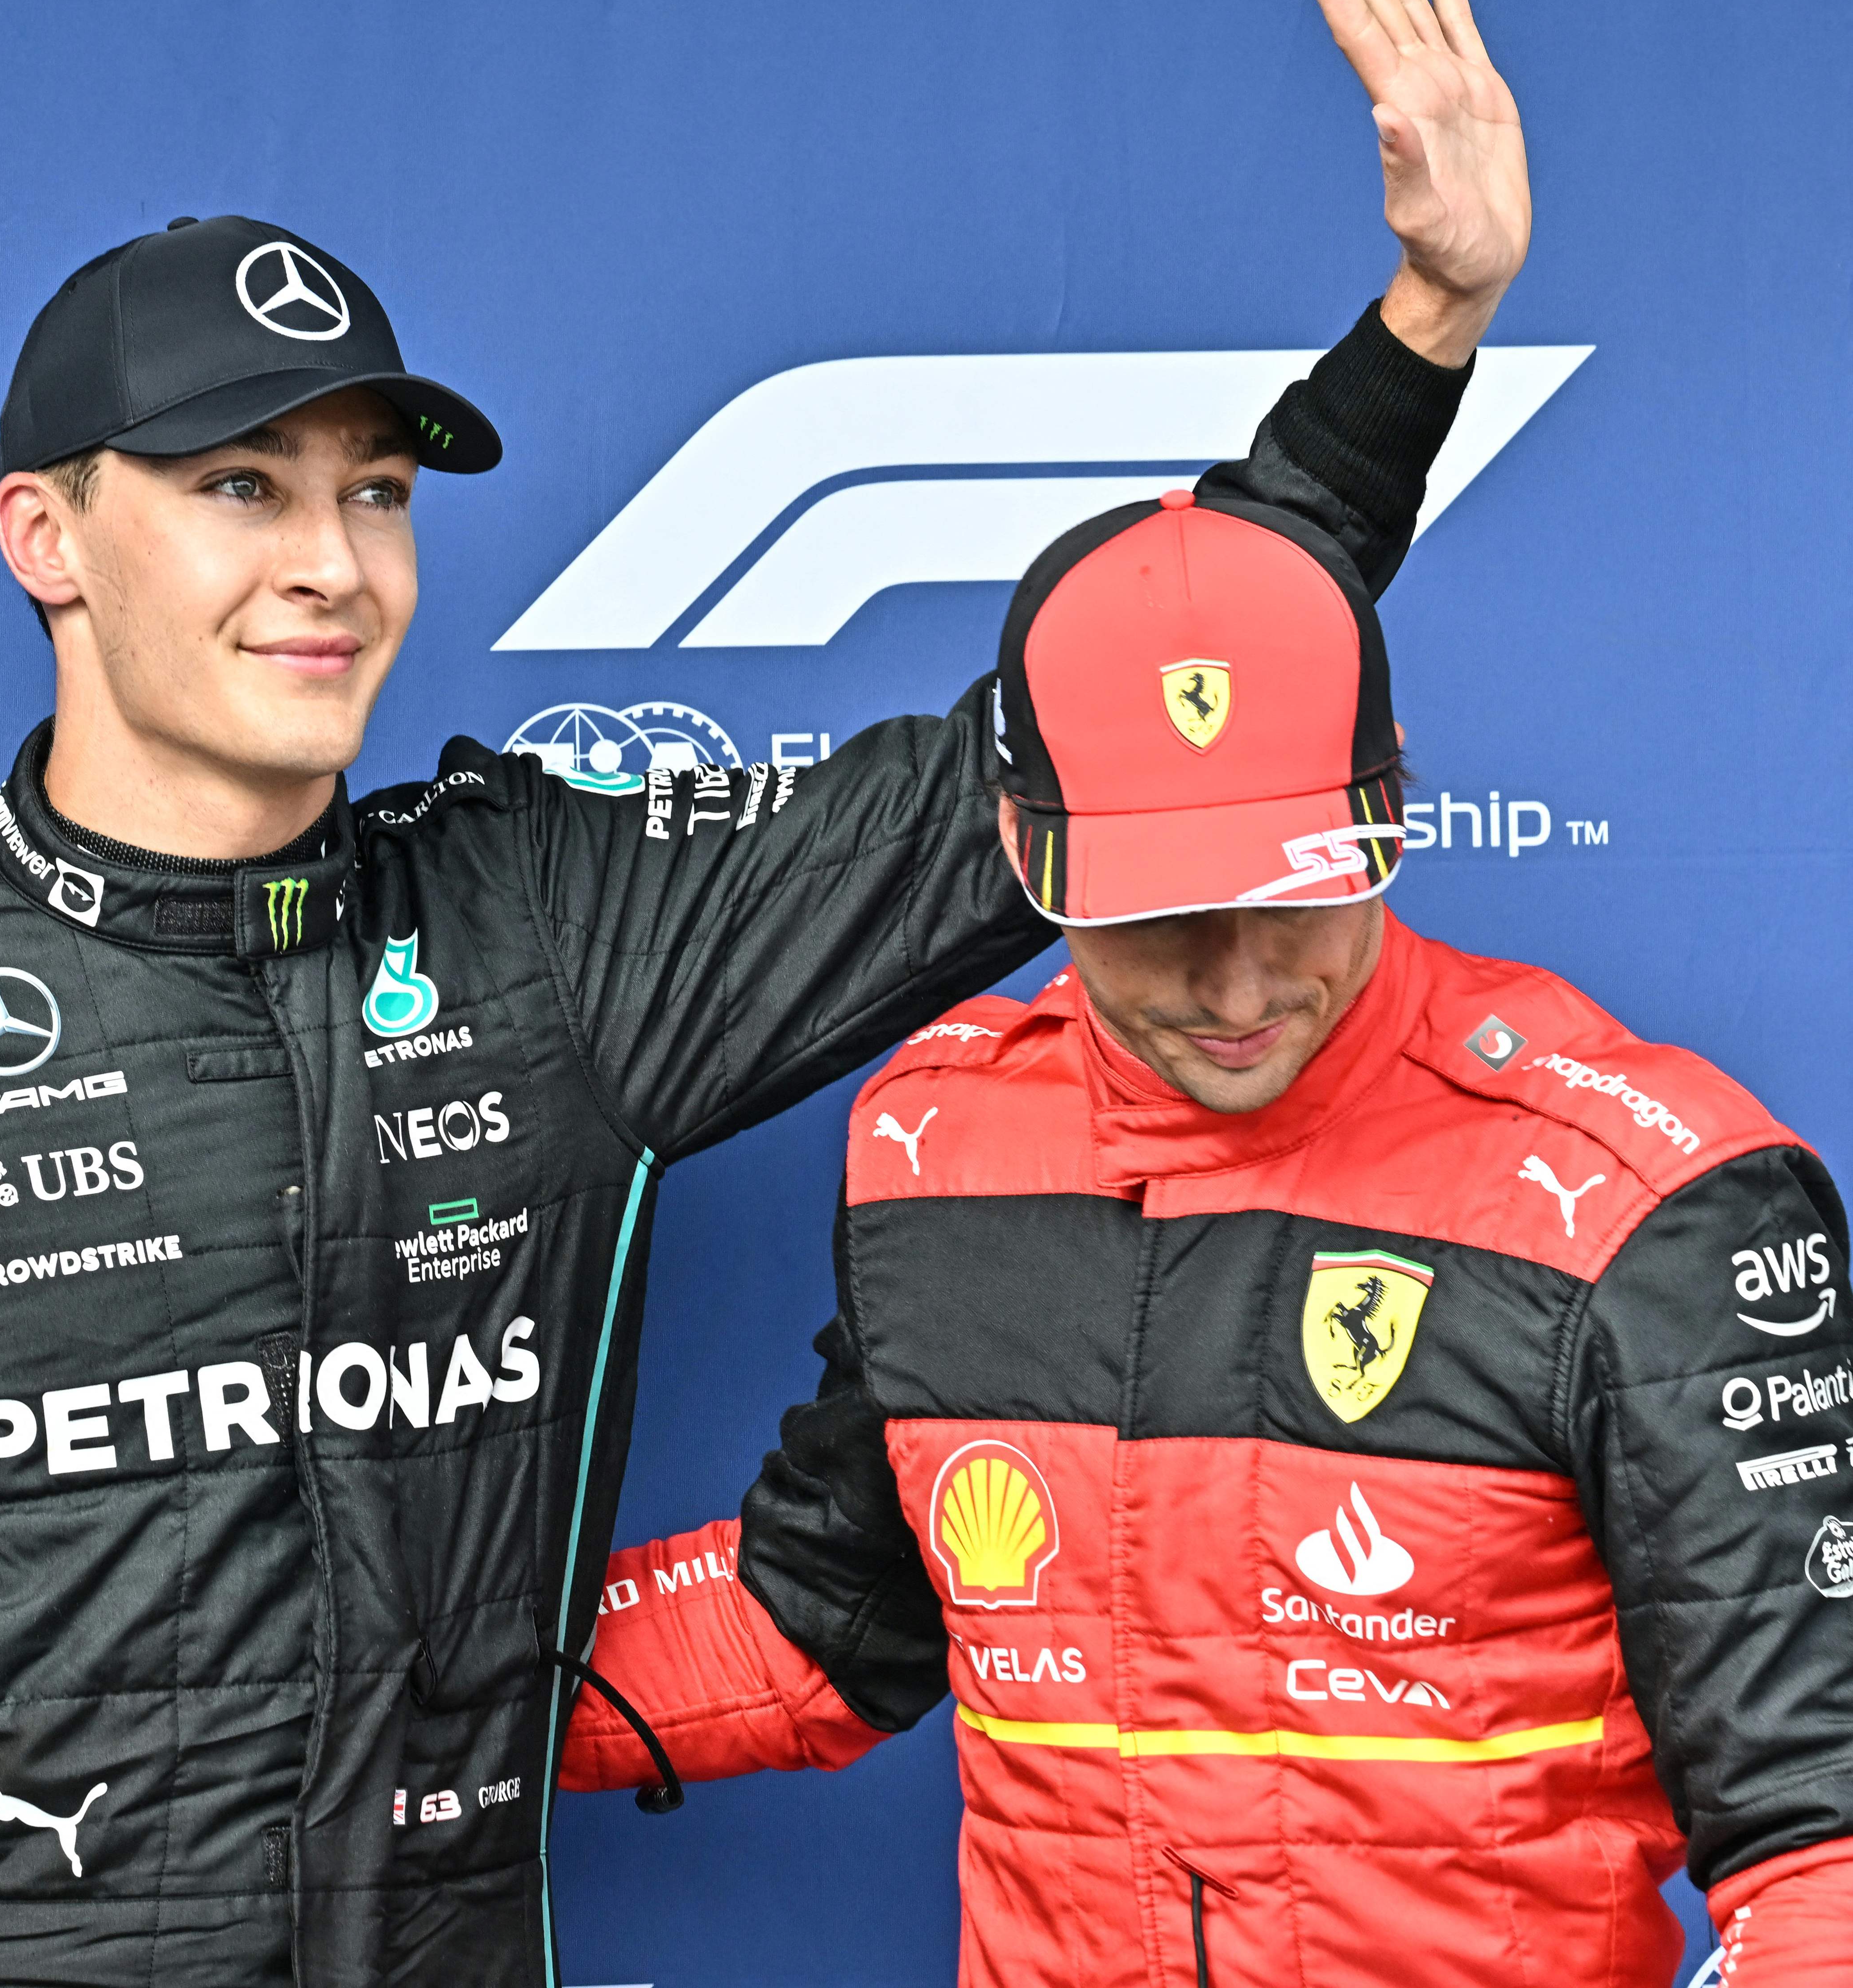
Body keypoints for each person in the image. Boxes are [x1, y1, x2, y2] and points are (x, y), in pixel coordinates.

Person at [0, 0, 1530, 1983]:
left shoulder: (552, 930)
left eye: (373, 493)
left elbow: (1113, 722)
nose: (332, 563)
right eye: (241, 488)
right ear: (48, 535)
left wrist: (1420, 333)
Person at [555, 492, 1853, 1981]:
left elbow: (1817, 1835)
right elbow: (812, 1626)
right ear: (1020, 846)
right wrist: (346, 1697)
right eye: (1158, 907)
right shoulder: (935, 1148)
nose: (1235, 985)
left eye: (1292, 893)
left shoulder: (1650, 1194)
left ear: (1393, 805)